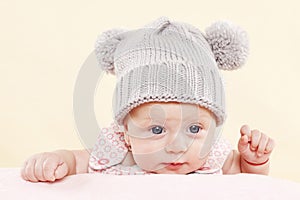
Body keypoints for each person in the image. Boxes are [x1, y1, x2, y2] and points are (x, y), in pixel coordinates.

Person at [21, 16, 275, 182]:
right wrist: (55, 160)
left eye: (195, 128)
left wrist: (254, 161)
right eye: (156, 129)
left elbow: (249, 181)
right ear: (127, 136)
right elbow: (77, 161)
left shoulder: (212, 157)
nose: (177, 146)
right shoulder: (118, 154)